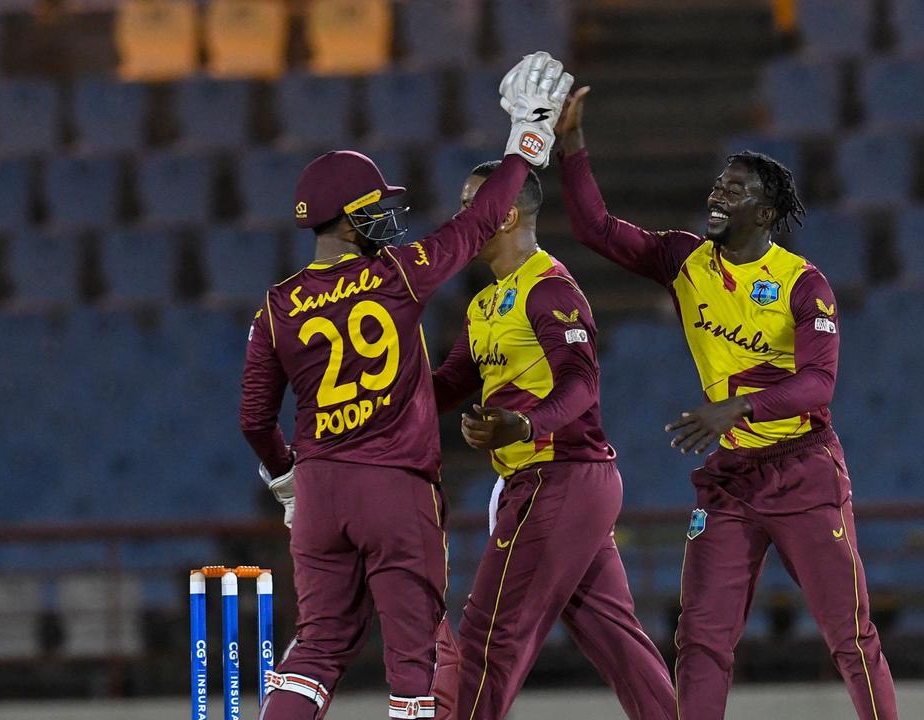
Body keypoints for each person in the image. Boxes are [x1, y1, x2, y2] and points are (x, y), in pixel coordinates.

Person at [239, 51, 573, 720]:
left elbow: (254, 418)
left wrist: (287, 482)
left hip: (323, 490)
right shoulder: (399, 272)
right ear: (346, 218)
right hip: (395, 489)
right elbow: (479, 223)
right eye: (374, 209)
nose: (388, 220)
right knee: (415, 657)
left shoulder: (275, 306)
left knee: (316, 649)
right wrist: (524, 144)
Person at [555, 88, 898, 719]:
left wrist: (733, 410)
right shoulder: (684, 259)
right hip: (731, 483)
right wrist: (571, 142)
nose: (717, 194)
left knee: (850, 636)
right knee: (701, 642)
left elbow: (819, 385)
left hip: (803, 470)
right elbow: (593, 230)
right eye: (717, 184)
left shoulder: (803, 283)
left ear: (765, 213)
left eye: (734, 189)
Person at [432, 161, 676, 720]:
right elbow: (446, 385)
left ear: (507, 213)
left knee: (488, 633)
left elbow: (580, 383)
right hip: (558, 484)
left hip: (558, 478)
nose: (459, 219)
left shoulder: (550, 290)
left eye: (472, 206)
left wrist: (523, 425)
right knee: (618, 641)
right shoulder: (486, 303)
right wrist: (374, 391)